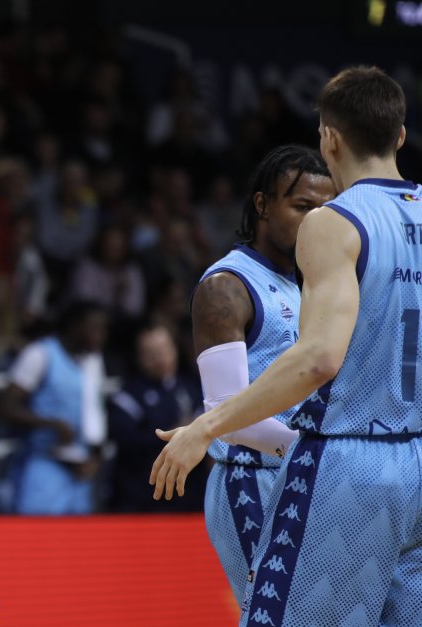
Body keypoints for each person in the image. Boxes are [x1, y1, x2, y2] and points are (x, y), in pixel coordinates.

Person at [151, 66, 419, 626]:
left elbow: (318, 358)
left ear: (329, 137)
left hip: (347, 460)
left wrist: (205, 427)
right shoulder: (229, 283)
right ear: (399, 136)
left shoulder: (336, 224)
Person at [188, 145, 333, 601]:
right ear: (262, 205)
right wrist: (321, 459)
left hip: (304, 474)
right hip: (251, 477)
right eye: (302, 206)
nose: (315, 220)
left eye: (326, 210)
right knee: (270, 611)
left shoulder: (313, 283)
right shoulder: (227, 286)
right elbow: (228, 416)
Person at [0, 302, 108, 514]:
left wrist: (96, 456)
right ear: (75, 326)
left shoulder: (93, 361)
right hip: (44, 464)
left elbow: (96, 413)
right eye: (95, 329)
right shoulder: (40, 353)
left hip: (81, 471)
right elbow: (6, 406)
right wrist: (50, 424)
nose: (101, 336)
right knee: (38, 542)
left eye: (104, 330)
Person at [107, 323, 205, 513]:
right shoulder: (127, 396)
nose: (159, 358)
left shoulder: (192, 389)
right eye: (150, 353)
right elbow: (126, 440)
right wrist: (176, 434)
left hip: (188, 498)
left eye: (163, 350)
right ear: (138, 357)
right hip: (141, 498)